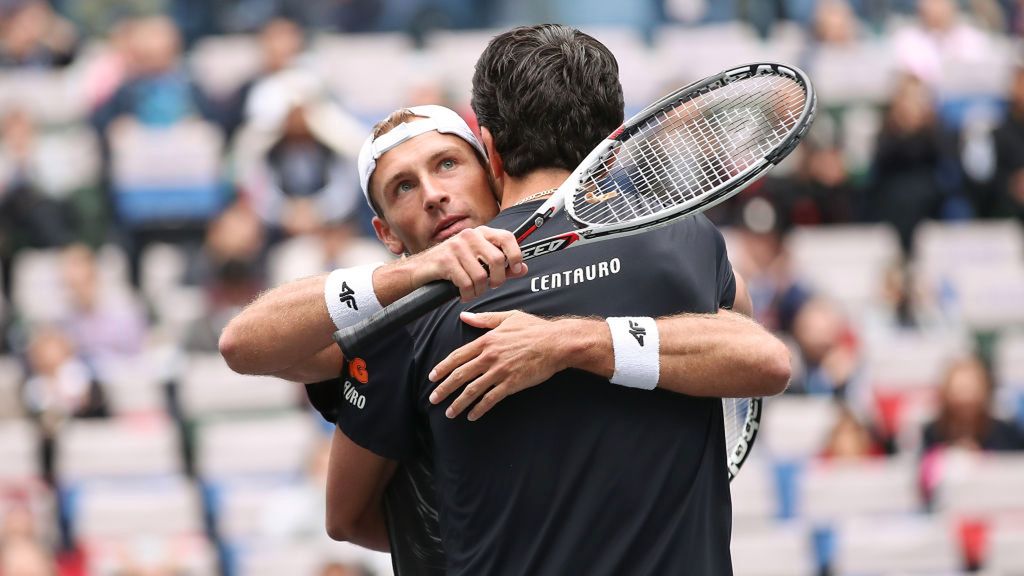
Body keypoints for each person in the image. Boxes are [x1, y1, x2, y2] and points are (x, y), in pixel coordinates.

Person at [324, 25, 788, 575]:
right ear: (616, 137)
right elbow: (757, 347)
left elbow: (348, 519)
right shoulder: (684, 238)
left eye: (449, 165)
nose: (433, 193)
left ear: (489, 149)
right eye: (405, 186)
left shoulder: (417, 308)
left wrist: (569, 341)